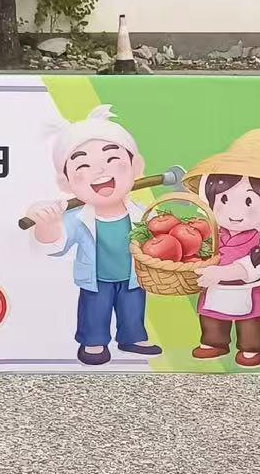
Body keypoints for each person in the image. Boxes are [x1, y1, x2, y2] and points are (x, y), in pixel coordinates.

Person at [24, 105, 161, 367]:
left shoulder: (142, 213)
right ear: (66, 183)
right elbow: (57, 243)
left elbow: (161, 237)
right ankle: (93, 342)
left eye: (111, 159)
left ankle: (132, 337)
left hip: (133, 275)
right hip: (96, 279)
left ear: (136, 166)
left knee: (133, 308)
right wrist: (47, 224)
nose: (100, 170)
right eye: (84, 165)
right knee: (94, 311)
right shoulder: (77, 218)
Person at [185, 130, 260, 369]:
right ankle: (214, 343)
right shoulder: (212, 231)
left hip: (246, 291)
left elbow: (255, 266)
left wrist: (222, 273)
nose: (235, 213)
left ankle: (251, 348)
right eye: (224, 200)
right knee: (212, 320)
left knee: (251, 325)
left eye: (249, 201)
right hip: (214, 288)